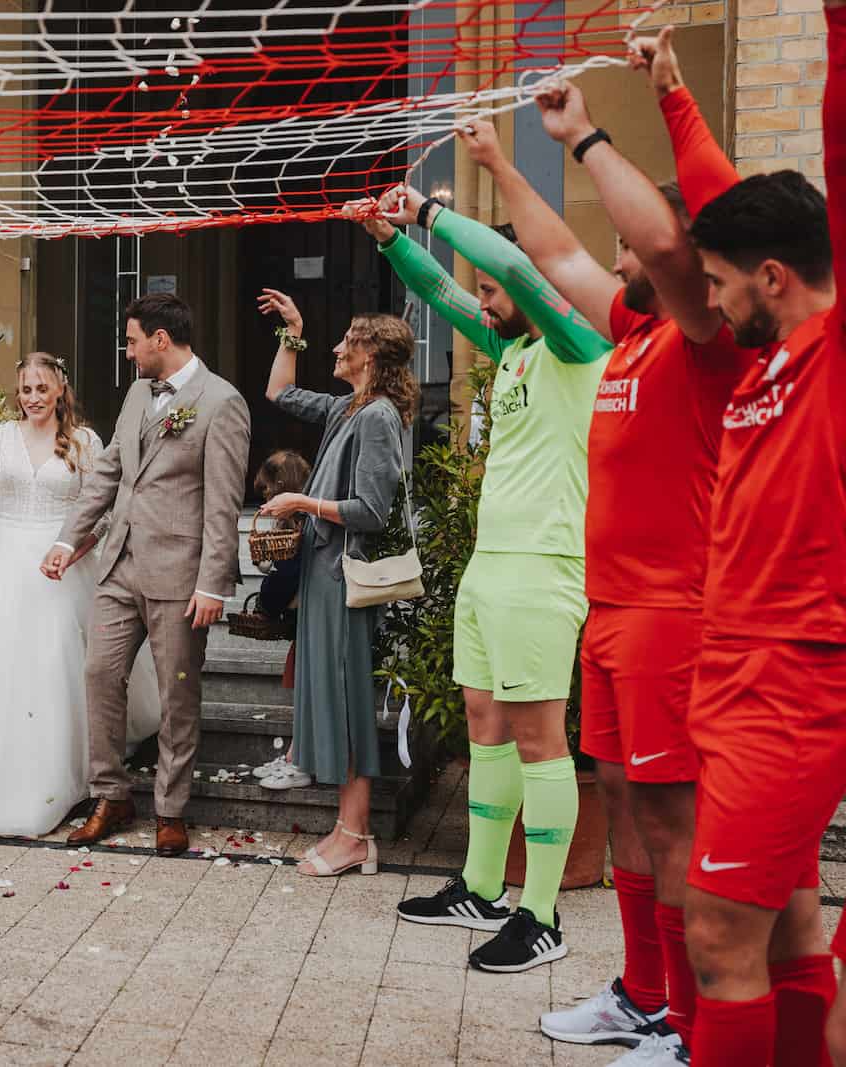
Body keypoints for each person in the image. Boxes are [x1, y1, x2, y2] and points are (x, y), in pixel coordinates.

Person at [459, 44, 743, 1066]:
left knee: (671, 826)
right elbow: (557, 262)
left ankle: (690, 1024)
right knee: (623, 801)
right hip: (613, 608)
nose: (611, 256)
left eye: (630, 243)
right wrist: (497, 164)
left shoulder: (704, 335)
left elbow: (654, 243)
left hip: (673, 615)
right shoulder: (628, 333)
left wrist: (586, 135)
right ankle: (640, 992)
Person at [355, 186, 612, 972]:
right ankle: (477, 884)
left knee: (540, 737)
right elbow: (446, 293)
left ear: (536, 285)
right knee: (483, 720)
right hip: (491, 567)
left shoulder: (579, 346)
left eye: (501, 292)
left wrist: (429, 214)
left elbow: (503, 263)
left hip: (544, 568)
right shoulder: (515, 352)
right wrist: (391, 241)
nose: (487, 305)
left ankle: (540, 914)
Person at [670, 4, 846, 1057]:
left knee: (716, 940)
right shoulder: (770, 358)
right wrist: (667, 92)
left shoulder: (830, 350)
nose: (715, 302)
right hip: (738, 668)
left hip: (789, 674)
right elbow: (713, 205)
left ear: (773, 279)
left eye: (726, 283)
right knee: (780, 918)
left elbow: (837, 141)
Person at [42, 293, 251, 858]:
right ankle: (111, 794)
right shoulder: (138, 392)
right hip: (118, 563)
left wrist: (213, 583)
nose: (127, 351)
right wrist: (68, 539)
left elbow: (224, 503)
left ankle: (171, 809)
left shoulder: (223, 402)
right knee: (99, 674)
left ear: (161, 340)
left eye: (133, 340)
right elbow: (110, 470)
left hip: (181, 576)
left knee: (176, 695)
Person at [0, 352, 162, 837]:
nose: (32, 399)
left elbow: (104, 511)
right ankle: (17, 763)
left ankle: (70, 766)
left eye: (41, 389)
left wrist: (72, 550)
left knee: (58, 660)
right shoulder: (0, 437)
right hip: (8, 559)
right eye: (25, 389)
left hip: (65, 560)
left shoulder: (85, 441)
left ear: (60, 391)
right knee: (12, 662)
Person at [257, 298, 417, 874]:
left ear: (369, 352)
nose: (335, 348)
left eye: (345, 339)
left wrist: (303, 502)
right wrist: (292, 332)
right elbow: (278, 391)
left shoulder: (376, 417)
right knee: (329, 697)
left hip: (345, 578)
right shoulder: (349, 407)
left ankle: (355, 837)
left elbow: (372, 509)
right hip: (326, 576)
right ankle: (346, 831)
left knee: (345, 701)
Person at [247, 447, 311, 790]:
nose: (266, 499)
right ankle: (292, 754)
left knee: (306, 691)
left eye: (269, 491)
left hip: (310, 621)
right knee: (303, 689)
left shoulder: (298, 530)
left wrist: (267, 606)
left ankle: (299, 759)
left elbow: (287, 577)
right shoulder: (303, 525)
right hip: (306, 621)